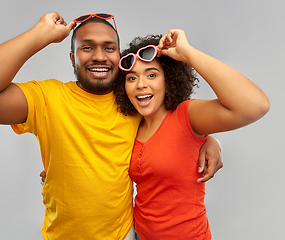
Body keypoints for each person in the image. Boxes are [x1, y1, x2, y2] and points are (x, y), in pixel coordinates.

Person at [0, 13, 223, 239]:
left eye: (109, 48)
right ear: (72, 58)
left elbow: (175, 124)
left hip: (125, 234)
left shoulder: (133, 101)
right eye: (87, 47)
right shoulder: (48, 98)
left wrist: (208, 140)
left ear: (120, 58)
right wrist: (37, 36)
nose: (100, 56)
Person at [113, 32, 270, 239]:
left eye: (151, 74)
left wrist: (188, 53)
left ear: (168, 79)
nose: (140, 84)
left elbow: (256, 105)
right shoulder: (132, 125)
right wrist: (211, 141)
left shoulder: (186, 115)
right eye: (132, 78)